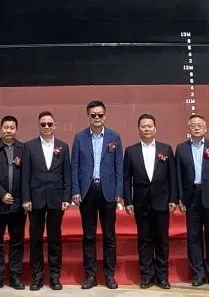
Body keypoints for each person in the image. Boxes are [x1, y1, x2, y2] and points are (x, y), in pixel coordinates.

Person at [70, 100, 123, 290]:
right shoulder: (80, 137)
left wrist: (119, 192)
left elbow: (119, 166)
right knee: (89, 235)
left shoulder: (114, 137)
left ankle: (109, 275)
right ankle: (91, 275)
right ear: (88, 116)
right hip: (87, 191)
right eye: (93, 115)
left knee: (109, 236)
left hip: (108, 191)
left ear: (105, 116)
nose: (97, 118)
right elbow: (74, 166)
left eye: (100, 114)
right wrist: (75, 190)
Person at [123, 113, 177, 290]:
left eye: (149, 126)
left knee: (162, 240)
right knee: (144, 240)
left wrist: (173, 198)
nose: (146, 129)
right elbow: (126, 179)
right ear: (139, 129)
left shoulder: (165, 149)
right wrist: (128, 201)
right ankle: (146, 276)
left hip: (162, 201)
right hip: (141, 203)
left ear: (155, 128)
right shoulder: (131, 151)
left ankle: (162, 277)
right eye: (143, 126)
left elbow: (172, 176)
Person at [174, 114, 209, 288]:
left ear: (205, 128)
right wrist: (180, 197)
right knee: (193, 236)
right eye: (193, 125)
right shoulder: (181, 148)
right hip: (191, 197)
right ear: (188, 128)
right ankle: (198, 274)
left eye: (199, 125)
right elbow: (178, 175)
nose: (196, 127)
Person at [22, 111, 72, 291]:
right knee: (35, 239)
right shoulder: (29, 146)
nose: (46, 127)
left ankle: (55, 276)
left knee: (54, 239)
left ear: (54, 126)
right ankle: (37, 276)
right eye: (43, 124)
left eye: (50, 124)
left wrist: (66, 197)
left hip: (56, 199)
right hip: (35, 200)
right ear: (38, 126)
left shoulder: (63, 147)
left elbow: (67, 174)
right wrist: (26, 198)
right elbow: (25, 175)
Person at [0, 115, 27, 290]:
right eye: (6, 127)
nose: (8, 130)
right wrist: (2, 194)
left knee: (17, 242)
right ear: (1, 129)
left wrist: (22, 199)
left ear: (16, 130)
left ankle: (15, 276)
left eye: (12, 127)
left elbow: (26, 175)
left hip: (18, 204)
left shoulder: (23, 149)